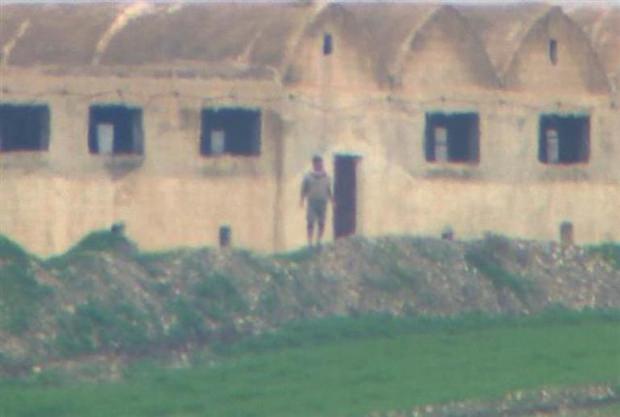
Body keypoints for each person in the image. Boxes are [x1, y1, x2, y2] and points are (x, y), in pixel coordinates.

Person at [300, 155, 333, 247]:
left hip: (323, 202)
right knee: (310, 222)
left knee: (321, 222)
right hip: (312, 202)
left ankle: (319, 240)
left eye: (321, 163)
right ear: (314, 164)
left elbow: (329, 189)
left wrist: (332, 200)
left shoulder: (327, 176)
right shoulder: (308, 176)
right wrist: (302, 200)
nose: (320, 165)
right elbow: (303, 189)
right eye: (318, 163)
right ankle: (310, 242)